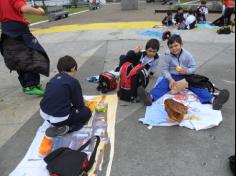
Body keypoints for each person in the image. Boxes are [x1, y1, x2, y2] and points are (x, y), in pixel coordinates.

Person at [138, 35, 230, 110]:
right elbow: (164, 69)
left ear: (181, 44)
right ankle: (149, 97)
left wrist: (186, 71)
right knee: (162, 85)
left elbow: (193, 67)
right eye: (171, 47)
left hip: (186, 76)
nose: (174, 49)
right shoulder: (168, 55)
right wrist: (170, 79)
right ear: (169, 48)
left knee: (196, 87)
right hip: (173, 76)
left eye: (176, 45)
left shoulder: (187, 55)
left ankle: (214, 101)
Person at [0, 0, 50, 95]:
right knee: (32, 54)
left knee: (17, 56)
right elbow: (24, 8)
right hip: (19, 31)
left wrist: (21, 20)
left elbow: (8, 14)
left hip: (6, 30)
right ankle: (32, 85)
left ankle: (26, 85)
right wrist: (40, 11)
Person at [40, 56, 92, 137]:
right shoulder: (73, 81)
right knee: (86, 112)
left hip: (44, 114)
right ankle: (69, 128)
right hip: (60, 119)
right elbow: (79, 105)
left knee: (67, 108)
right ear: (73, 68)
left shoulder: (53, 79)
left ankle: (59, 125)